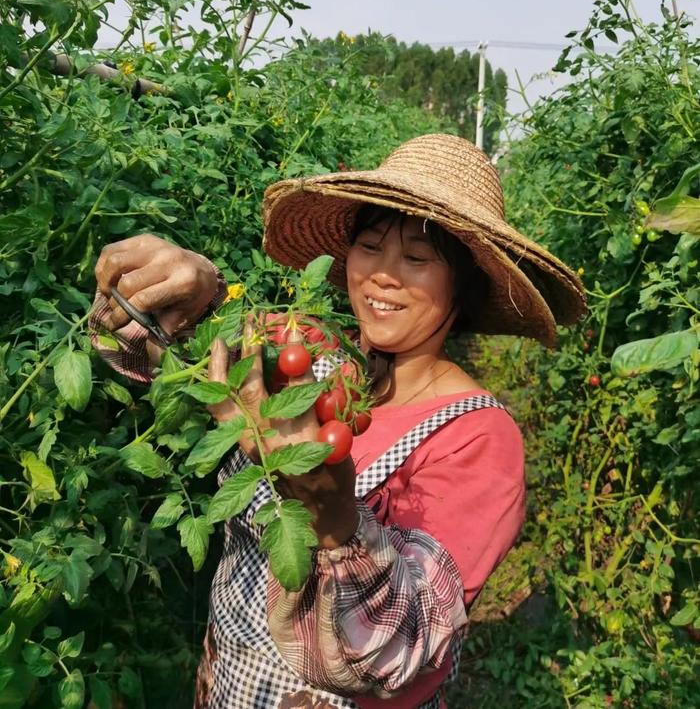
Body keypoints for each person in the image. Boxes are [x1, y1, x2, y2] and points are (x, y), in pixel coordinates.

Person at [91, 134, 586, 708]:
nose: (384, 275)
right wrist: (193, 293)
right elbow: (133, 348)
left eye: (418, 259)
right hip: (230, 685)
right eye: (371, 246)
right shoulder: (309, 349)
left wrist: (332, 518)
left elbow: (405, 645)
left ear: (463, 288)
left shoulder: (478, 438)